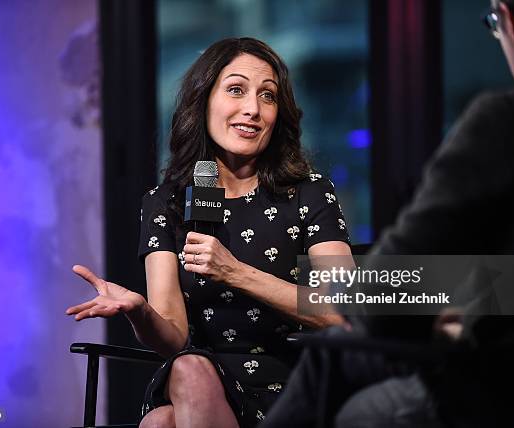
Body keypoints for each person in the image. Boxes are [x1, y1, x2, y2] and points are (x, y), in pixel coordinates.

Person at [262, 0, 514, 426]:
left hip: (505, 382)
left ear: (512, 20)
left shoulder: (509, 123)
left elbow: (373, 301)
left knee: (334, 364)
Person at [66, 37, 353, 428]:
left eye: (267, 97)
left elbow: (344, 311)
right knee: (186, 373)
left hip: (292, 381)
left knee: (161, 424)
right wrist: (141, 313)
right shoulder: (164, 202)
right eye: (236, 90)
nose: (252, 109)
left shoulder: (308, 193)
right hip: (199, 380)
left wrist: (236, 272)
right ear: (203, 102)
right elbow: (173, 337)